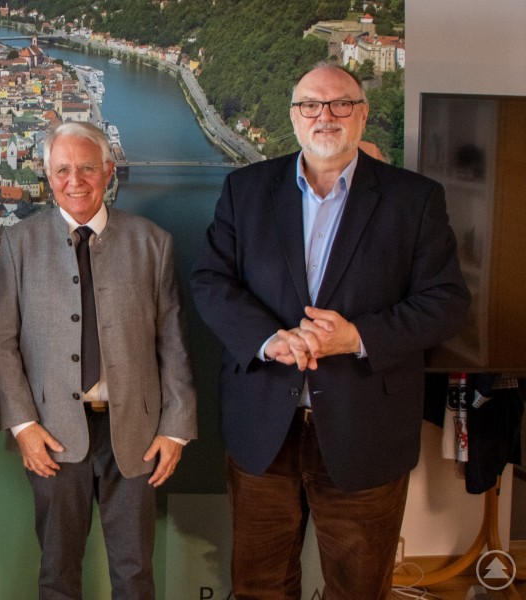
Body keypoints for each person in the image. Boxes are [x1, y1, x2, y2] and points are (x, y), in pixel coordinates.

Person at [190, 63, 470, 599]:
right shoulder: (245, 190)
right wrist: (269, 339)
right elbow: (210, 282)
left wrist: (358, 337)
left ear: (362, 115)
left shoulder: (415, 200)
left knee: (358, 588)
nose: (325, 116)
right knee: (259, 586)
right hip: (262, 430)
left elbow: (447, 303)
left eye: (341, 104)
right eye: (310, 105)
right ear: (293, 117)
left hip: (365, 428)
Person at [0, 121, 197, 599]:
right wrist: (22, 426)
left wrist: (176, 428)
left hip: (139, 435)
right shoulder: (19, 244)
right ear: (48, 175)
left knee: (135, 572)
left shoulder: (152, 242)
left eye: (86, 167)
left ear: (107, 171)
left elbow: (173, 341)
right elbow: (0, 342)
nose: (74, 180)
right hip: (52, 434)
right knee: (57, 573)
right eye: (62, 169)